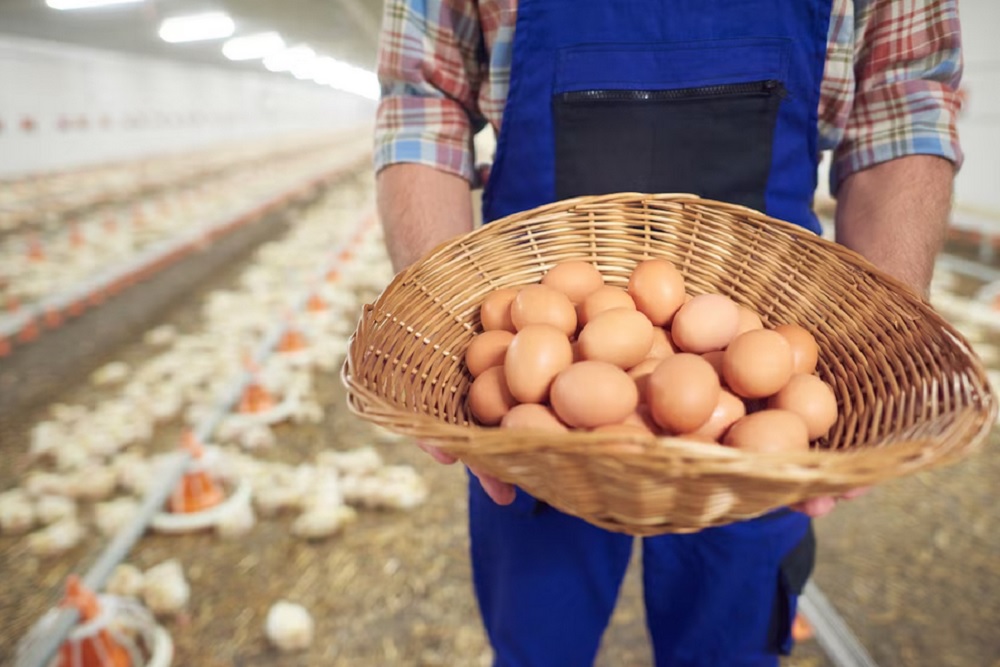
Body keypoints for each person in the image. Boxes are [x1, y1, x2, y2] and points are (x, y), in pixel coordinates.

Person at [373, 1, 963, 665]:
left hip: (756, 365)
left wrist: (874, 351)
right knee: (538, 632)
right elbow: (424, 101)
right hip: (533, 358)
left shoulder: (744, 375)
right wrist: (447, 326)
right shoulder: (543, 361)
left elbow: (904, 100)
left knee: (728, 639)